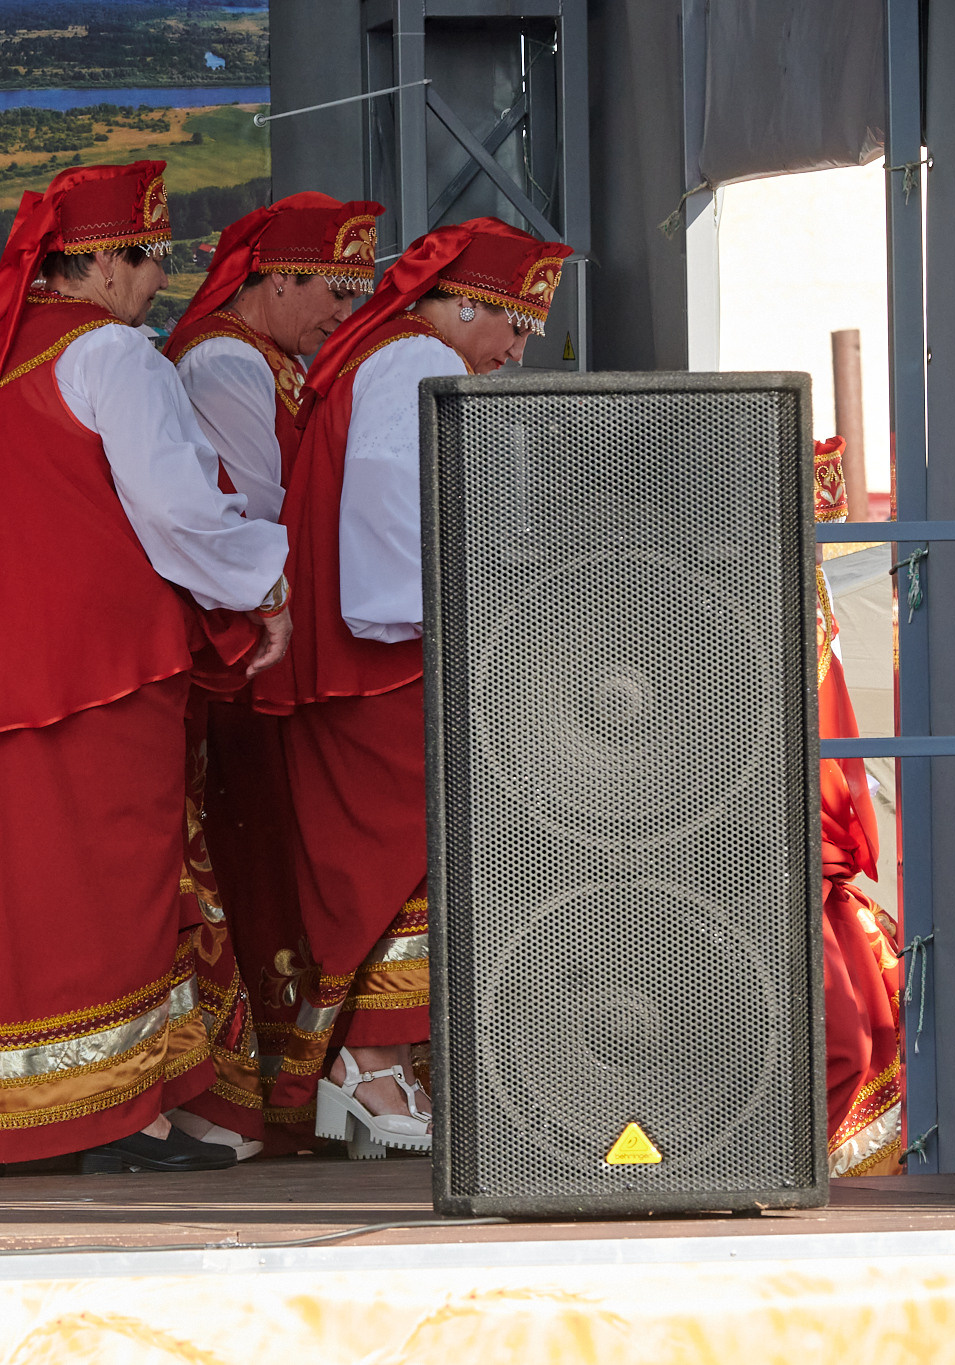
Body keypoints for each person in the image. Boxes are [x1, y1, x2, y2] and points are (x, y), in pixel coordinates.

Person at [0, 162, 292, 1174]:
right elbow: (179, 509)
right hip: (92, 667)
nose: (158, 284)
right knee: (106, 884)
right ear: (102, 262)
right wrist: (261, 587)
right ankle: (116, 1118)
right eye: (150, 261)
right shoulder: (114, 356)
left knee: (2, 895)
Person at [255, 217, 571, 1157]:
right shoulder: (405, 362)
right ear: (464, 301)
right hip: (390, 654)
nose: (515, 351)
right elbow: (395, 509)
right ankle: (370, 1062)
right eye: (511, 325)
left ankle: (380, 1061)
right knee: (400, 860)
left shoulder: (389, 356)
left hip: (390, 649)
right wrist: (473, 621)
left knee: (403, 857)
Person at [165, 194, 376, 1147]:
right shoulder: (222, 362)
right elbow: (250, 513)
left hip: (271, 643)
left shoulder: (273, 363)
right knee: (249, 855)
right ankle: (247, 1088)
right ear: (275, 280)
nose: (342, 311)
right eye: (331, 291)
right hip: (249, 648)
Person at [813, 436, 904, 1176]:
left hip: (824, 857)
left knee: (874, 1023)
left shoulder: (814, 612)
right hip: (785, 860)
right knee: (846, 1037)